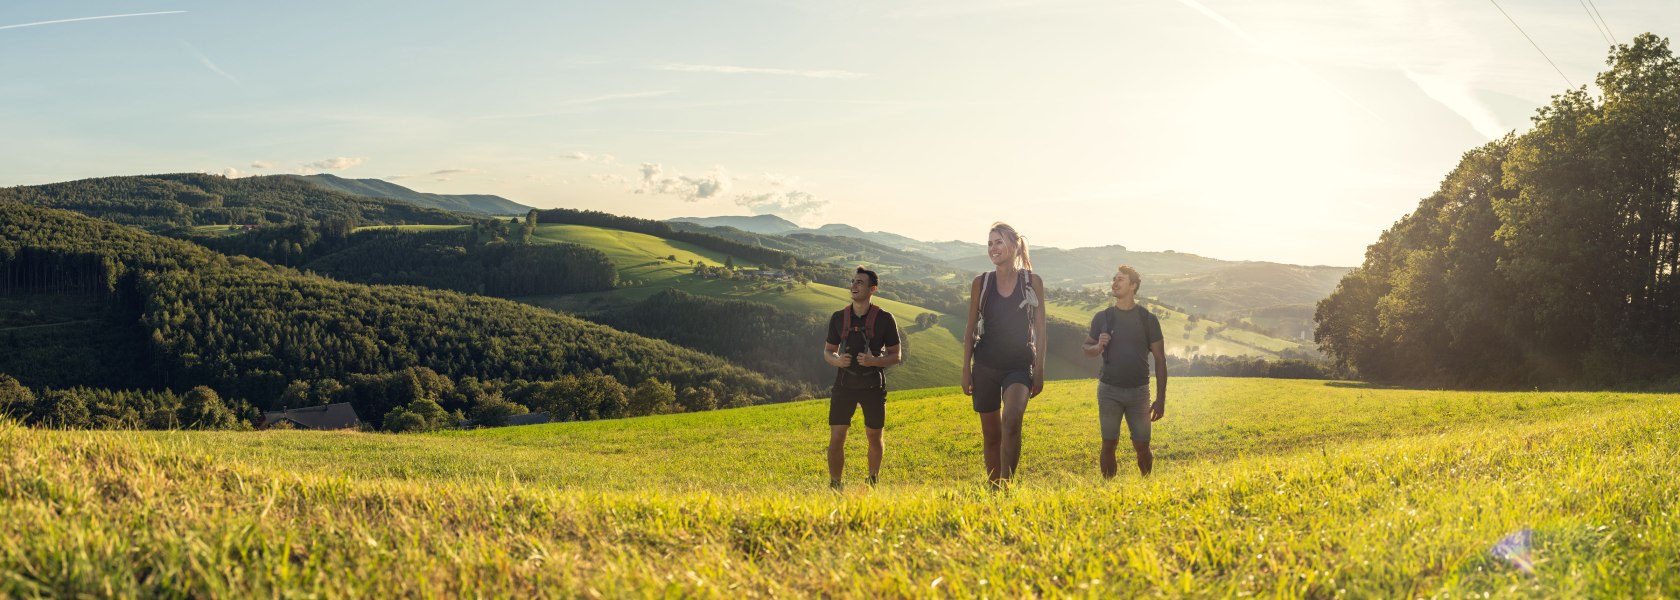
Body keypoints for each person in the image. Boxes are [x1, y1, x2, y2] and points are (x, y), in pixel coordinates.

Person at [961, 222, 1047, 487]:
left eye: (998, 242)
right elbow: (971, 327)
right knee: (991, 435)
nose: (993, 248)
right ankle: (994, 487)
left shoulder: (1032, 282)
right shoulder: (981, 282)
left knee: (1011, 419)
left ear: (1013, 245)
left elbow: (1041, 328)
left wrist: (1040, 370)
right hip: (985, 365)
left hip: (1019, 365)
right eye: (989, 243)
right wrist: (966, 368)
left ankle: (1007, 483)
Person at [1082, 265, 1167, 478]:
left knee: (1142, 446)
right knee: (1109, 443)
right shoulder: (1103, 317)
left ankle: (1146, 483)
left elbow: (1160, 359)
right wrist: (1099, 346)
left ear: (1133, 286)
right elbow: (1087, 349)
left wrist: (1160, 399)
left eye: (1120, 279)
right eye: (1114, 279)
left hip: (1139, 393)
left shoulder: (1148, 319)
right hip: (1109, 390)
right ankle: (1109, 490)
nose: (1115, 283)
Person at [823, 266, 902, 490]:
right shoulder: (839, 317)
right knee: (837, 435)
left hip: (872, 386)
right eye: (853, 281)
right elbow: (828, 351)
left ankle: (872, 480)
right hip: (843, 385)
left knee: (874, 436)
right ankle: (835, 484)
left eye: (860, 282)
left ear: (872, 289)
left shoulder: (885, 319)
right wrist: (837, 361)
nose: (854, 285)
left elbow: (896, 356)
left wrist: (874, 361)